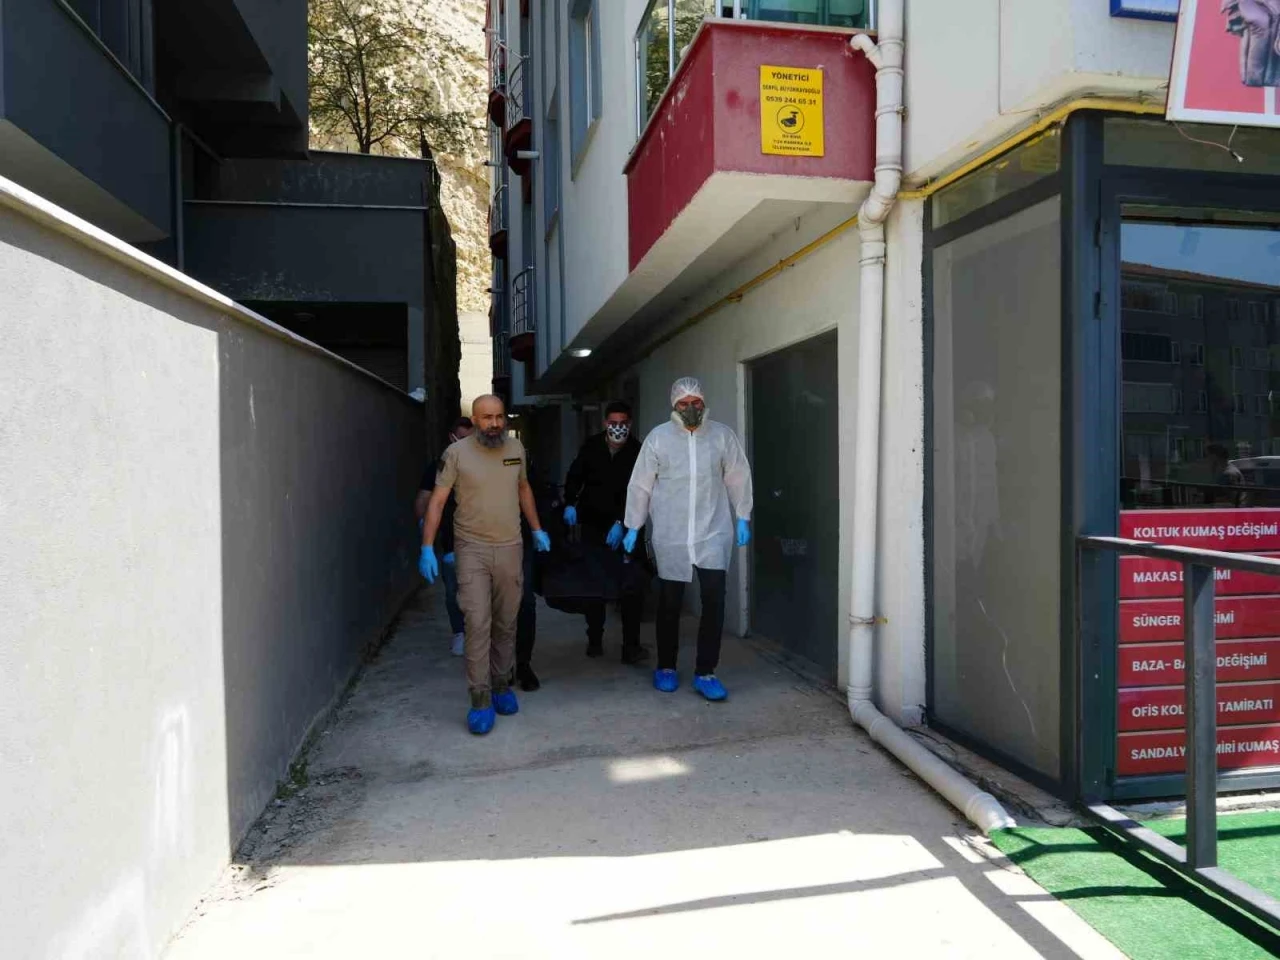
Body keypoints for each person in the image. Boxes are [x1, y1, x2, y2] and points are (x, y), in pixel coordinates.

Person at [420, 395, 551, 734]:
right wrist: (427, 547)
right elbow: (437, 501)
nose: (495, 423)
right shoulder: (456, 454)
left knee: (507, 622)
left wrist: (537, 529)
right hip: (472, 549)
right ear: (475, 420)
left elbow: (524, 489)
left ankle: (501, 685)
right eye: (487, 418)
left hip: (511, 547)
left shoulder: (516, 449)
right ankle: (479, 698)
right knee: (478, 622)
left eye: (499, 417)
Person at [623, 377, 753, 702]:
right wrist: (633, 525)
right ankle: (666, 667)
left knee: (715, 602)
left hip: (713, 532)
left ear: (704, 402)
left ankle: (705, 672)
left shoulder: (721, 436)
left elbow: (738, 475)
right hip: (672, 534)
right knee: (669, 603)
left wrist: (743, 515)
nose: (691, 408)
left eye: (696, 402)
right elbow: (641, 484)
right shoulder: (658, 438)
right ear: (674, 405)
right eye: (683, 403)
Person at [562, 400, 648, 663]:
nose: (617, 428)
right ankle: (595, 639)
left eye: (623, 423)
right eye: (613, 423)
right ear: (605, 423)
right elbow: (575, 476)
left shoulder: (639, 452)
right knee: (595, 585)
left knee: (632, 587)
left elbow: (642, 491)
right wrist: (570, 503)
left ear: (630, 424)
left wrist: (623, 522)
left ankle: (631, 647)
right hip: (594, 526)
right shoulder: (592, 447)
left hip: (629, 528)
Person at [415, 416, 474, 657]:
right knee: (454, 591)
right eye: (462, 439)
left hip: (483, 537)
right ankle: (460, 632)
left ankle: (482, 633)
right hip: (452, 539)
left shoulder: (484, 464)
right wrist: (425, 529)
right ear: (452, 438)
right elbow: (424, 498)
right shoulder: (439, 466)